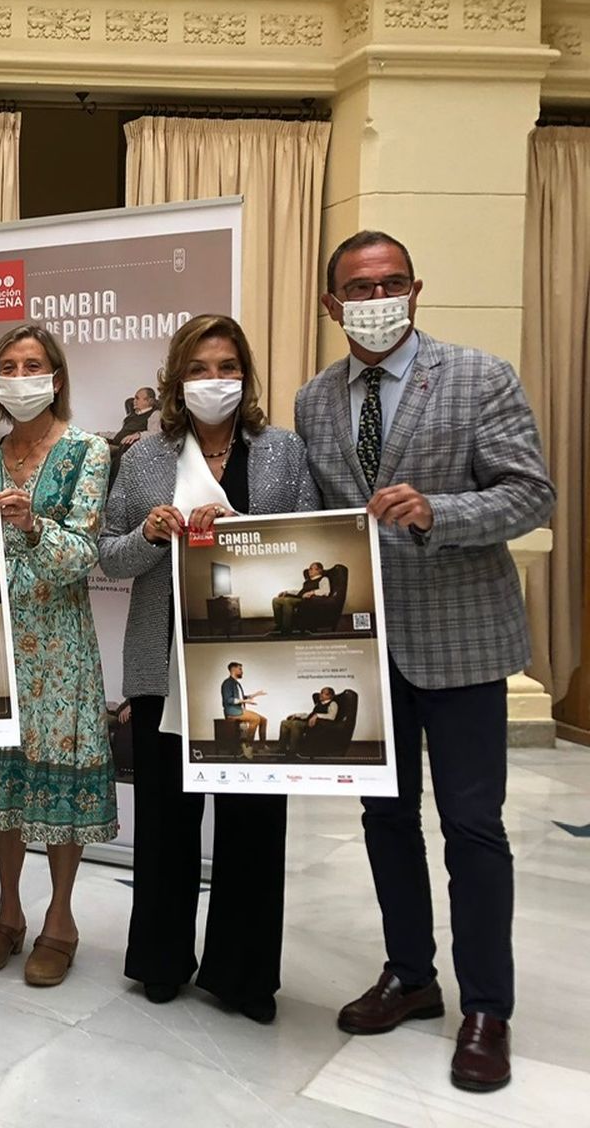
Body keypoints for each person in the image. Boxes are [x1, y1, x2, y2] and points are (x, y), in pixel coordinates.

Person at [296, 230, 555, 1092]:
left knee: (474, 829)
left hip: (465, 641)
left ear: (415, 289)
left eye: (391, 282)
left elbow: (530, 495)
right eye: (358, 287)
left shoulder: (480, 376)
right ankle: (410, 974)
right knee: (384, 820)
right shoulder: (314, 399)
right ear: (332, 304)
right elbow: (321, 521)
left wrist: (438, 511)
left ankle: (486, 1009)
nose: (377, 298)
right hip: (366, 649)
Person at [101, 312, 319, 1024]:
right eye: (199, 369)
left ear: (245, 376)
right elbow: (109, 555)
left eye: (226, 367)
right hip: (161, 661)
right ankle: (161, 960)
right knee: (167, 819)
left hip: (254, 658)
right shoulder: (144, 458)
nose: (213, 380)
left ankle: (243, 974)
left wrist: (247, 536)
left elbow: (311, 542)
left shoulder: (282, 451)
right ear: (176, 379)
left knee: (253, 821)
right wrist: (148, 533)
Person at [0, 323, 115, 988]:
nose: (21, 377)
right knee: (4, 777)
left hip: (59, 641)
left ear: (56, 376)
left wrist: (32, 524)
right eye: (9, 366)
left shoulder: (87, 451)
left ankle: (61, 921)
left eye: (33, 364)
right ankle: (8, 913)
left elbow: (84, 554)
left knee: (58, 775)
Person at [221, 661, 268, 757]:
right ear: (233, 670)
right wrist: (245, 701)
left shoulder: (236, 683)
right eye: (240, 669)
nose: (242, 671)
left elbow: (241, 697)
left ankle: (262, 746)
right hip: (232, 712)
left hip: (239, 710)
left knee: (263, 720)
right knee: (255, 719)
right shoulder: (227, 683)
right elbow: (228, 699)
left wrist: (255, 694)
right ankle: (248, 746)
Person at [272, 561, 332, 635]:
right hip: (300, 598)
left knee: (287, 601)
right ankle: (279, 624)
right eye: (309, 569)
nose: (309, 571)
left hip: (307, 601)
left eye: (311, 569)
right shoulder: (308, 581)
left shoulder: (323, 579)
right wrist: (287, 592)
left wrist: (312, 592)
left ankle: (286, 628)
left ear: (319, 570)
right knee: (276, 600)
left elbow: (326, 591)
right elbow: (300, 592)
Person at [280, 687, 338, 758]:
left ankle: (293, 750)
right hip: (308, 721)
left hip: (317, 725)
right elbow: (310, 715)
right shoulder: (319, 704)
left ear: (330, 696)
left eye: (323, 693)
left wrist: (317, 715)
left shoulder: (333, 704)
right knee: (284, 723)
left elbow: (332, 716)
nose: (320, 694)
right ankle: (282, 748)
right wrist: (296, 715)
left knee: (295, 724)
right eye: (321, 692)